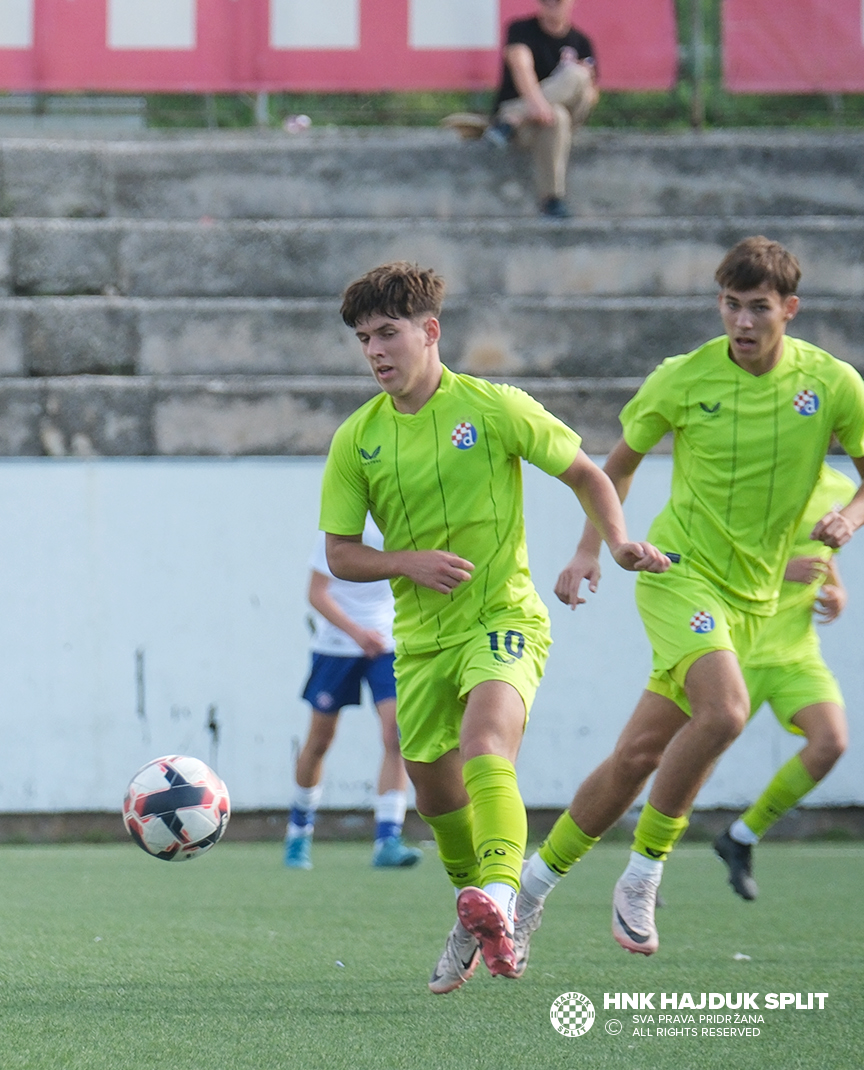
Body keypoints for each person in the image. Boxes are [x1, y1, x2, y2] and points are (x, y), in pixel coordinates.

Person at [515, 237, 864, 971]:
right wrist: (589, 550)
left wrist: (849, 518)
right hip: (679, 572)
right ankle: (643, 875)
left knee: (638, 755)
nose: (741, 321)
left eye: (758, 308)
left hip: (754, 596)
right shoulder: (681, 378)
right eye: (731, 306)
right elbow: (616, 466)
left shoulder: (833, 385)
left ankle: (531, 887)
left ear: (788, 310)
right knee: (728, 711)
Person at [319, 261, 666, 994]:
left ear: (430, 331)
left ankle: (504, 902)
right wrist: (407, 563)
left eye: (388, 334)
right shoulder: (357, 440)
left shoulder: (495, 407)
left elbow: (589, 475)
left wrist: (614, 544)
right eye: (363, 340)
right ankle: (472, 911)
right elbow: (340, 555)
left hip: (503, 619)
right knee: (436, 799)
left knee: (486, 745)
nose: (376, 351)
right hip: (420, 643)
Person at [714, 466, 853, 900]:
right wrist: (779, 572)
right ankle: (649, 859)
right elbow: (710, 560)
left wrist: (836, 590)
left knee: (830, 742)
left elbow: (824, 559)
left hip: (796, 652)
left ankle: (740, 837)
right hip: (737, 649)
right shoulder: (754, 475)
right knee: (687, 758)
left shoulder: (844, 489)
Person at [284, 521, 423, 872]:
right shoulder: (341, 529)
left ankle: (388, 839)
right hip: (337, 647)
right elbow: (317, 593)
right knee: (319, 741)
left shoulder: (405, 523)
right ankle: (299, 833)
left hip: (387, 647)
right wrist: (357, 633)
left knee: (396, 734)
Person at [483, 0, 598, 219]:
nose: (552, 5)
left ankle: (511, 116)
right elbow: (520, 66)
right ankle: (552, 200)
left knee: (576, 76)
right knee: (558, 116)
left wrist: (522, 111)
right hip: (530, 128)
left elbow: (591, 94)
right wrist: (537, 105)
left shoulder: (582, 43)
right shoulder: (521, 30)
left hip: (520, 120)